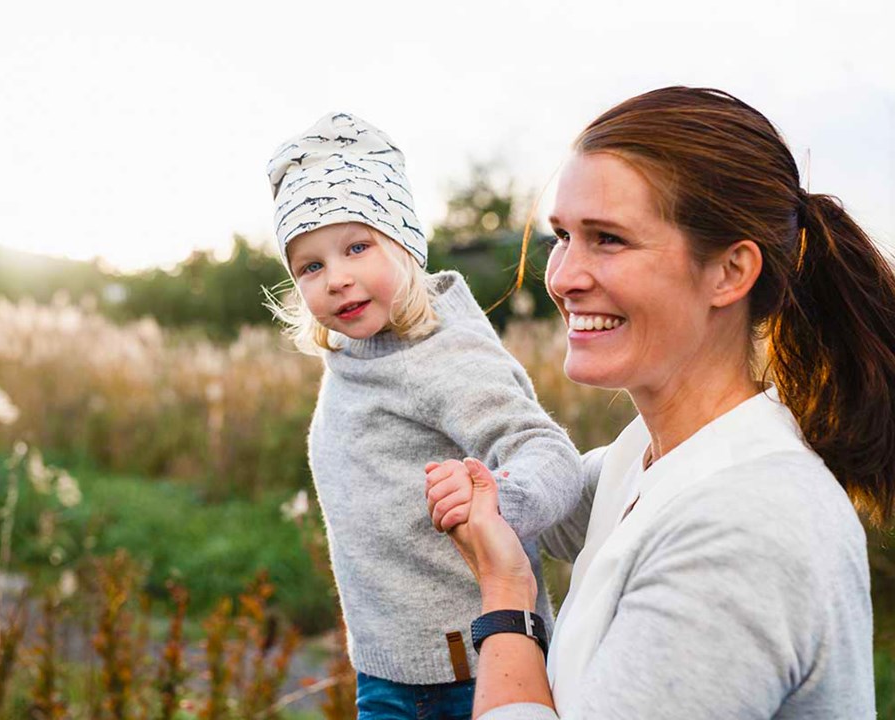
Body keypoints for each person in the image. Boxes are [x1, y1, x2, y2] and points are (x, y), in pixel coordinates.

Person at [427, 86, 892, 718]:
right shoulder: (644, 456)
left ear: (730, 272)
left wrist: (506, 599)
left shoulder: (749, 530)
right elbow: (551, 499)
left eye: (609, 239)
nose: (562, 276)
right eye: (562, 235)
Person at [265, 111, 585, 719]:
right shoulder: (357, 351)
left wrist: (499, 502)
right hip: (387, 670)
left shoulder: (441, 350)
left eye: (357, 247)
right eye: (311, 265)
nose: (337, 278)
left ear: (406, 245)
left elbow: (545, 450)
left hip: (466, 673)